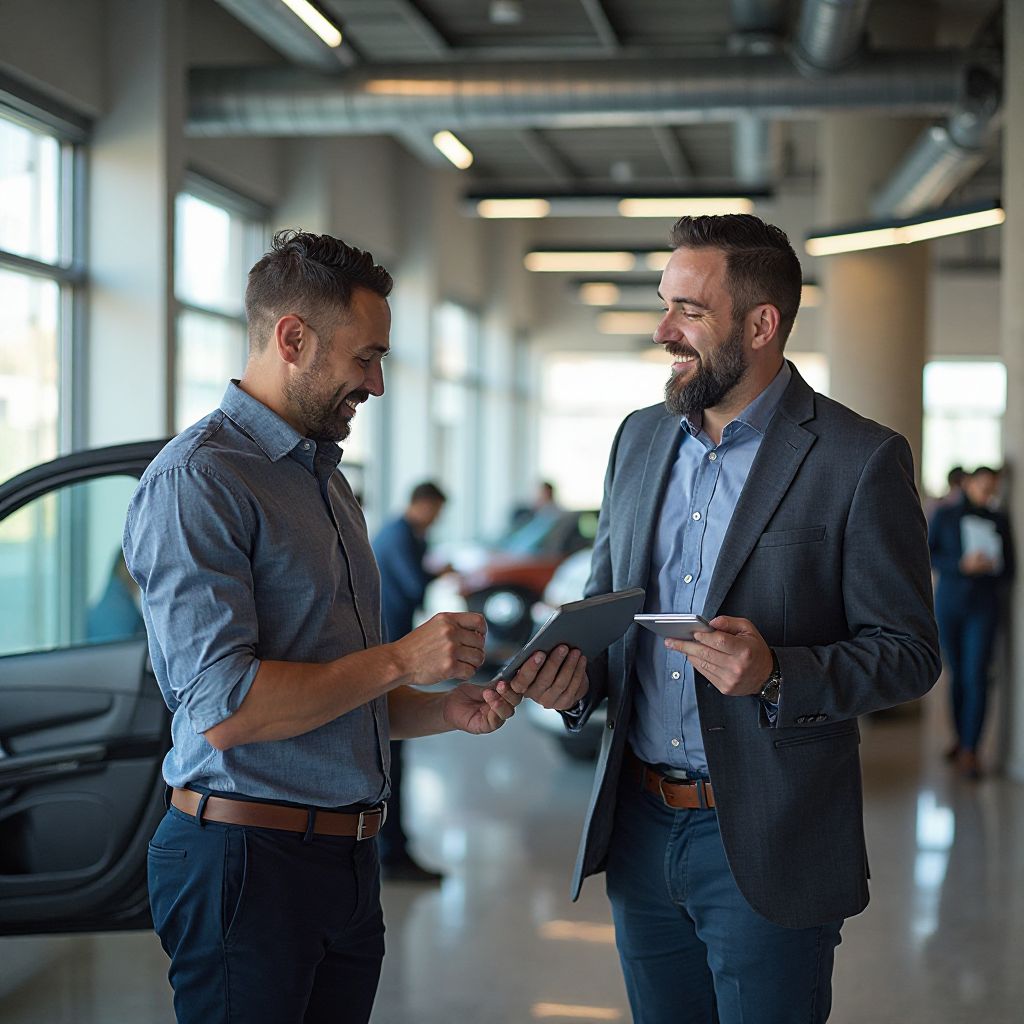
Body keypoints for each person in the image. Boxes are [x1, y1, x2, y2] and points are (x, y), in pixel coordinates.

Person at [122, 229, 587, 1024]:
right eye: (364, 358)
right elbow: (228, 710)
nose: (376, 383)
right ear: (292, 338)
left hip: (343, 857)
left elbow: (331, 687)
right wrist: (403, 658)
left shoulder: (326, 482)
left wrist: (445, 706)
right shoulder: (200, 480)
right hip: (247, 862)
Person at [532, 214, 941, 1024]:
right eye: (664, 305)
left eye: (689, 310)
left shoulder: (858, 459)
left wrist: (779, 671)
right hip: (641, 829)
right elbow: (607, 606)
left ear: (763, 324)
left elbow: (909, 653)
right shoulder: (638, 439)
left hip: (769, 835)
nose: (662, 331)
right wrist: (573, 680)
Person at [372, 480, 452, 882]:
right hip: (388, 650)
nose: (437, 518)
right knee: (390, 754)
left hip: (394, 648)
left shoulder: (408, 534)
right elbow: (414, 585)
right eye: (436, 510)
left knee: (393, 754)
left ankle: (393, 848)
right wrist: (440, 572)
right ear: (422, 503)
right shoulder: (398, 535)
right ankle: (391, 853)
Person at [928, 465, 1015, 778]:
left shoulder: (998, 520)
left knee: (976, 674)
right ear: (969, 484)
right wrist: (960, 564)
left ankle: (971, 749)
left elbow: (1010, 570)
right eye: (983, 486)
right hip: (950, 604)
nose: (987, 493)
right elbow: (930, 553)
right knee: (956, 675)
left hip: (983, 607)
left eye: (992, 488)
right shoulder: (946, 516)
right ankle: (960, 738)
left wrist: (992, 565)